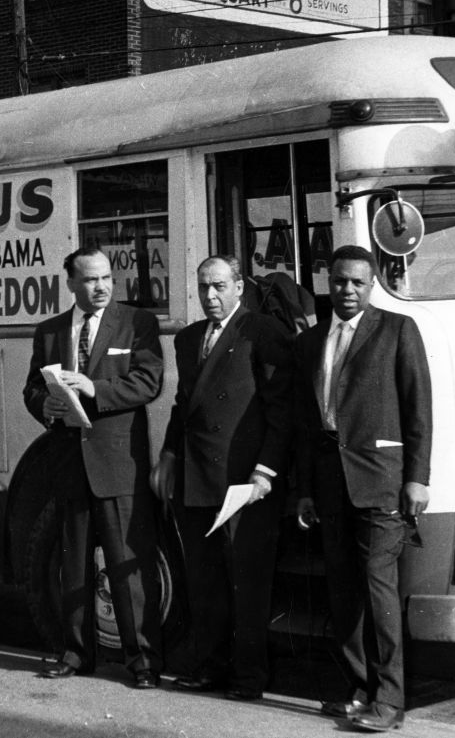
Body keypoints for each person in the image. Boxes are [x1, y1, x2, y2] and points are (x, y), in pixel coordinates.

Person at [294, 245, 432, 733]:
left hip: (382, 483)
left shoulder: (397, 330)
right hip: (331, 485)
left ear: (372, 284)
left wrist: (417, 477)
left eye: (356, 282)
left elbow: (418, 410)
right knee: (343, 594)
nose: (347, 291)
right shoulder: (312, 342)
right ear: (327, 284)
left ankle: (389, 702)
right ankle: (358, 689)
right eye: (338, 282)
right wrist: (307, 489)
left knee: (379, 592)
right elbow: (308, 424)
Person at [150, 255, 293, 701]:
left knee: (247, 583)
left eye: (219, 287)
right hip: (196, 476)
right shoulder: (190, 339)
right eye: (203, 288)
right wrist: (170, 453)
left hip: (242, 483)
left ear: (238, 287)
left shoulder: (263, 333)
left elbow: (280, 409)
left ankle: (250, 677)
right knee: (204, 581)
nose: (210, 297)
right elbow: (183, 404)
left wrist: (264, 472)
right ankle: (210, 667)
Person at [22, 245, 164, 689]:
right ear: (71, 284)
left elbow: (148, 381)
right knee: (73, 561)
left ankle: (141, 660)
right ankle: (75, 653)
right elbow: (31, 389)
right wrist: (46, 404)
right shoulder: (48, 331)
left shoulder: (137, 323)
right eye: (89, 280)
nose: (101, 287)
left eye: (106, 278)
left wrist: (93, 387)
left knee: (127, 565)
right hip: (68, 461)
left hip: (118, 461)